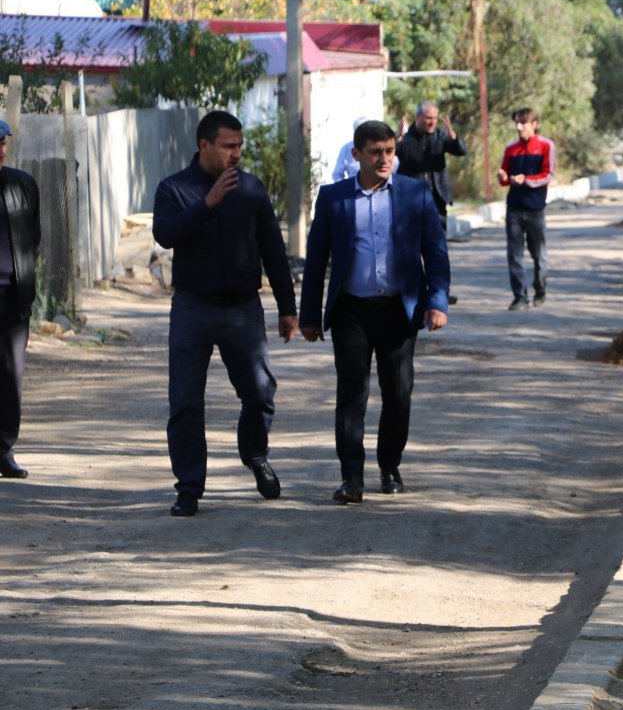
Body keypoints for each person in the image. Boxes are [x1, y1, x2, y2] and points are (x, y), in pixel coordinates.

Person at [152, 110, 298, 517]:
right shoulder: (174, 189)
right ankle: (189, 488)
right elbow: (165, 234)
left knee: (260, 391)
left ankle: (254, 454)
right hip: (192, 309)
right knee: (185, 402)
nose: (236, 154)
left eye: (240, 146)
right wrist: (208, 203)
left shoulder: (251, 189)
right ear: (205, 146)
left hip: (242, 310)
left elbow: (273, 249)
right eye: (228, 146)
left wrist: (288, 308)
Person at [300, 119, 450, 504]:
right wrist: (309, 315)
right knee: (352, 395)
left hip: (399, 310)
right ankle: (351, 477)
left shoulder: (415, 193)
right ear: (357, 155)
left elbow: (434, 251)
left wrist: (437, 302)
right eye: (375, 152)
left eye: (389, 151)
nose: (384, 159)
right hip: (351, 311)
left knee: (398, 394)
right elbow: (316, 260)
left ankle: (389, 465)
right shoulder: (334, 198)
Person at [0, 119, 39, 479]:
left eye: (3, 141)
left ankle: (4, 450)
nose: (1, 149)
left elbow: (33, 238)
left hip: (13, 297)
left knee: (11, 377)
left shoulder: (22, 185)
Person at [397, 101, 465, 305]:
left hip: (436, 200)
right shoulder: (405, 138)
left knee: (438, 249)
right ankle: (414, 293)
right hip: (410, 201)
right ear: (417, 117)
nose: (431, 122)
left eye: (434, 118)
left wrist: (452, 135)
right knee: (410, 249)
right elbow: (390, 152)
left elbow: (460, 150)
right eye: (428, 118)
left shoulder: (440, 136)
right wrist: (396, 137)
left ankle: (440, 292)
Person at [498, 108, 555, 311]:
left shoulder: (546, 146)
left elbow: (548, 175)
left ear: (535, 124)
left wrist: (526, 180)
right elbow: (504, 174)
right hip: (514, 208)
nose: (519, 127)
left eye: (523, 123)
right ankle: (519, 297)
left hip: (535, 209)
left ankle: (540, 288)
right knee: (514, 254)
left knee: (538, 254)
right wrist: (503, 177)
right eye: (517, 123)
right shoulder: (511, 148)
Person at [331, 116, 367, 182]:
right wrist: (344, 188)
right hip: (353, 188)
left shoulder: (376, 146)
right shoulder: (346, 148)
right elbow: (337, 174)